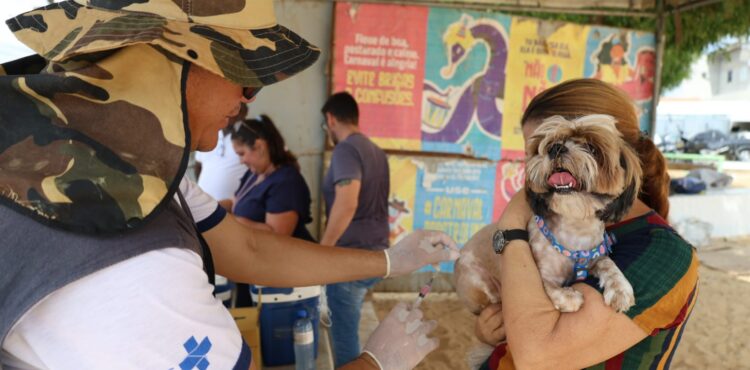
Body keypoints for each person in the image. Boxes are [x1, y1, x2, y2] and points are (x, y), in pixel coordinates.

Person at [0, 1, 459, 369]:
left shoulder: (126, 168)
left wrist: (388, 260)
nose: (247, 100)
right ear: (175, 60)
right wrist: (379, 361)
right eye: (245, 75)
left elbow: (247, 249)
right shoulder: (129, 258)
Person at [474, 79, 699, 369]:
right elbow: (515, 315)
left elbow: (535, 356)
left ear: (622, 156)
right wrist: (486, 331)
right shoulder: (545, 224)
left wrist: (511, 226)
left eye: (586, 147)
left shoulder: (665, 255)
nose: (551, 162)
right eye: (539, 151)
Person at [319, 92, 391, 367]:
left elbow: (347, 203)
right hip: (375, 253)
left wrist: (323, 251)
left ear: (331, 119)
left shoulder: (346, 149)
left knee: (344, 337)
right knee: (351, 321)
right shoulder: (375, 151)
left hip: (350, 258)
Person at [224, 114, 316, 306]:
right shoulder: (253, 174)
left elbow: (277, 234)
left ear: (260, 146)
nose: (241, 161)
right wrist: (203, 208)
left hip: (280, 283)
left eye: (242, 153)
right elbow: (235, 202)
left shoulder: (286, 182)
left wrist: (227, 222)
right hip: (254, 272)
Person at [194, 103, 248, 201]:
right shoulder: (209, 134)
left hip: (234, 209)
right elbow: (198, 165)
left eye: (236, 109)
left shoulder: (249, 135)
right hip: (203, 206)